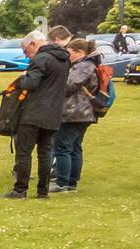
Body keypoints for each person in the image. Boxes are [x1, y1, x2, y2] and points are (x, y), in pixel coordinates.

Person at [4, 28, 69, 199]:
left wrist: (23, 78)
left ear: (33, 44)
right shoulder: (63, 59)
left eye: (26, 51)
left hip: (33, 113)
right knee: (45, 153)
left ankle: (20, 190)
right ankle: (42, 191)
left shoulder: (41, 58)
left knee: (24, 152)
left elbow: (31, 83)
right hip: (53, 113)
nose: (27, 55)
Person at [52, 38, 99, 194]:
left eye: (70, 53)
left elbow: (68, 86)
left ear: (79, 52)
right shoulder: (88, 64)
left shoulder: (83, 66)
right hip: (82, 113)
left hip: (75, 112)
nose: (67, 56)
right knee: (74, 147)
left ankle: (62, 183)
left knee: (63, 147)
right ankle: (71, 183)